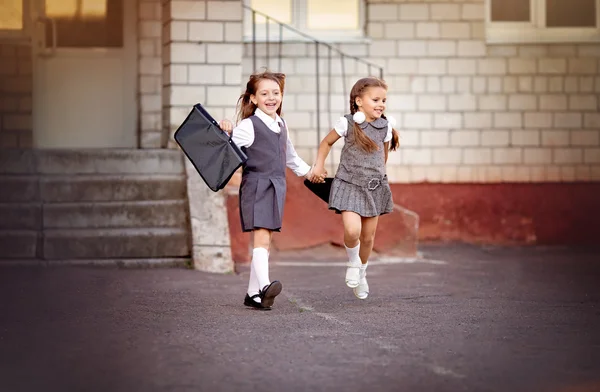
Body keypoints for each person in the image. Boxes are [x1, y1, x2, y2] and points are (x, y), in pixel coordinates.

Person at [219, 71, 325, 310]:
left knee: (265, 241)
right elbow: (225, 150)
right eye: (264, 93)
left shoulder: (281, 123)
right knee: (262, 237)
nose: (271, 98)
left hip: (277, 186)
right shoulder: (248, 126)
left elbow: (291, 157)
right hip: (257, 185)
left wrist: (311, 173)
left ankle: (252, 294)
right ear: (253, 98)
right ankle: (265, 286)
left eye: (275, 93)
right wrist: (225, 130)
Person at [311, 77, 399, 300]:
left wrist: (377, 177)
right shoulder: (347, 123)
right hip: (349, 185)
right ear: (359, 101)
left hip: (374, 188)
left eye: (384, 100)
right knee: (352, 231)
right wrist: (319, 165)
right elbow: (326, 143)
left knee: (368, 239)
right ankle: (353, 262)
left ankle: (362, 273)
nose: (381, 104)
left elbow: (383, 156)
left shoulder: (385, 127)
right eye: (375, 99)